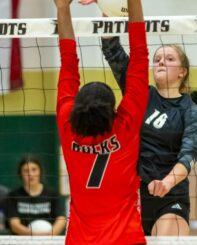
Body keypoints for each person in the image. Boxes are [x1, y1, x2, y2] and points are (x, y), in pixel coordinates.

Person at [97, 22, 197, 236]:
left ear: (182, 72)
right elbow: (112, 50)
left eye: (169, 59)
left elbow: (188, 156)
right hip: (131, 196)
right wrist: (108, 10)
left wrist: (167, 182)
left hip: (169, 197)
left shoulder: (190, 111)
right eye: (157, 59)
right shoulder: (140, 95)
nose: (161, 62)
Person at [55, 0, 149, 244]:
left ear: (77, 109)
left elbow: (67, 64)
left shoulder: (68, 127)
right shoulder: (125, 126)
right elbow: (139, 57)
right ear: (113, 111)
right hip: (127, 239)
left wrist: (62, 9)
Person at [5, 155, 66, 235]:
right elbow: (14, 225)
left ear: (40, 171)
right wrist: (34, 236)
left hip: (48, 241)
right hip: (22, 241)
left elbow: (61, 219)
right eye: (26, 171)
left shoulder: (52, 195)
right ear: (20, 174)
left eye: (34, 169)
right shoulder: (13, 196)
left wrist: (49, 235)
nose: (30, 174)